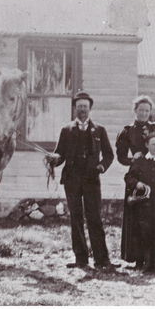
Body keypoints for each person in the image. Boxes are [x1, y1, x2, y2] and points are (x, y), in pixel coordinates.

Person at [46, 91, 116, 270]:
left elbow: (109, 154)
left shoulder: (99, 130)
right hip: (72, 180)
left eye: (85, 106)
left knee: (95, 218)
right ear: (75, 109)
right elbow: (60, 154)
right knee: (75, 218)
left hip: (92, 180)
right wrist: (54, 158)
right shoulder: (67, 130)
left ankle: (102, 260)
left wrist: (101, 166)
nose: (82, 109)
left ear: (90, 108)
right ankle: (81, 259)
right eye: (79, 106)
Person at [116, 95, 155, 268]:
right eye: (141, 110)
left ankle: (152, 258)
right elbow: (120, 157)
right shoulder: (127, 131)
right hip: (136, 175)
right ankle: (136, 258)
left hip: (154, 175)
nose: (144, 114)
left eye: (147, 111)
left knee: (152, 216)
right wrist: (132, 159)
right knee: (136, 217)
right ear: (135, 111)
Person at [124, 132, 155, 273]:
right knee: (144, 233)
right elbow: (128, 177)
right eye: (153, 144)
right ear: (147, 145)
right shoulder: (140, 161)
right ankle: (146, 262)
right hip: (144, 205)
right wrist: (137, 183)